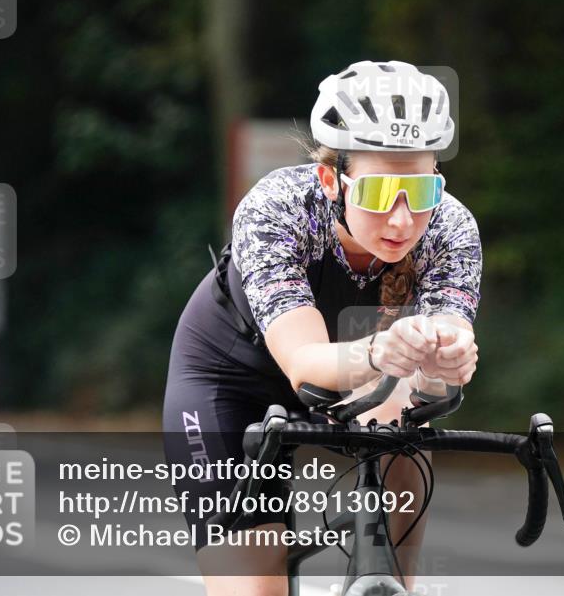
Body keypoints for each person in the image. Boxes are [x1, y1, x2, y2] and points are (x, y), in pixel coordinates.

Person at [163, 60, 482, 595]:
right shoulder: (278, 210)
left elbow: (439, 357)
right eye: (380, 194)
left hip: (366, 365)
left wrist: (448, 359)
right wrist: (385, 351)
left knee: (404, 428)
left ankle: (390, 581)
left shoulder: (450, 226)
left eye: (422, 193)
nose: (403, 220)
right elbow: (307, 364)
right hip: (232, 378)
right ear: (331, 178)